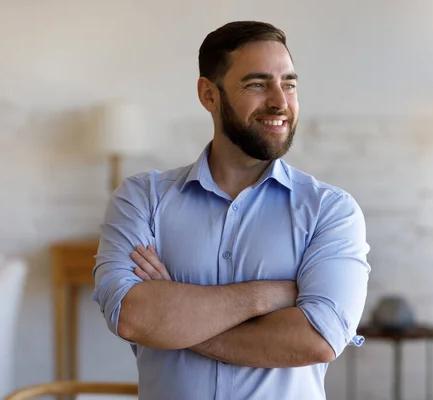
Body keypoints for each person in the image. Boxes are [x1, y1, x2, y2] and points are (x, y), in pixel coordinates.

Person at [93, 20, 370, 400]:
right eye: (257, 84)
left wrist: (176, 321)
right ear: (209, 95)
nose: (279, 101)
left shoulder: (330, 210)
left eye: (288, 84)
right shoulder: (143, 199)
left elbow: (317, 339)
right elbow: (133, 316)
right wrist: (267, 296)